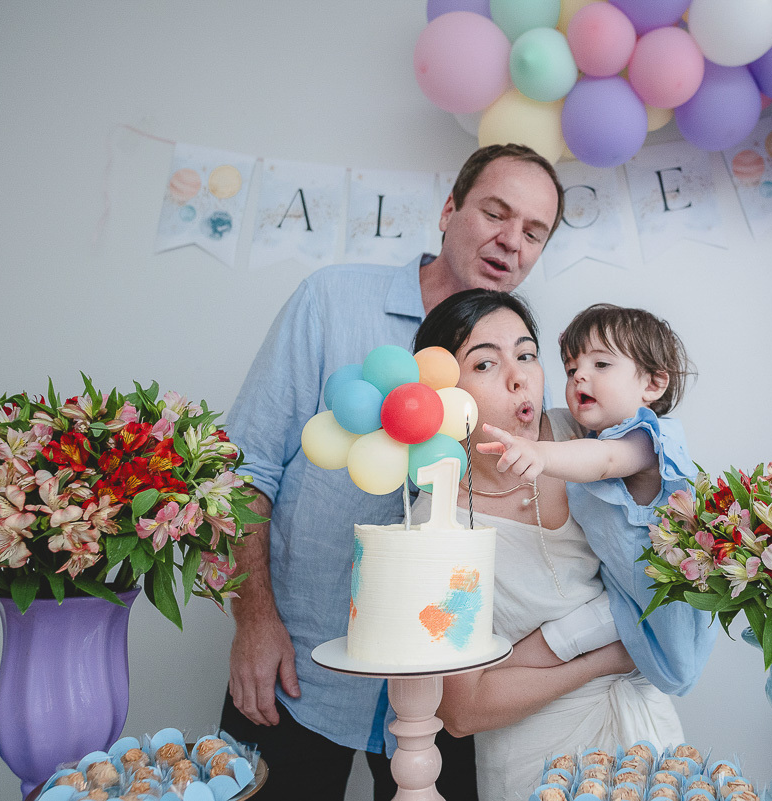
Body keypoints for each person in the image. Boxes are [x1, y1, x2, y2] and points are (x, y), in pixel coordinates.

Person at [221, 144, 564, 801]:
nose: (510, 240)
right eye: (496, 212)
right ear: (449, 209)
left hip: (450, 686)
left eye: (533, 231)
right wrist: (253, 620)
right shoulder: (330, 301)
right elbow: (244, 470)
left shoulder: (522, 356)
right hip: (296, 668)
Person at [410, 290, 685, 801]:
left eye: (528, 354)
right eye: (486, 363)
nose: (518, 377)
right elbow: (463, 711)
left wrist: (524, 658)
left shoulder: (586, 434)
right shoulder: (437, 520)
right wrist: (614, 655)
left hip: (646, 734)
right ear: (444, 392)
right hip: (536, 762)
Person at [478, 303, 717, 695]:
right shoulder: (591, 437)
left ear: (653, 385)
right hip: (621, 590)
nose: (579, 377)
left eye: (601, 365)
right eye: (571, 369)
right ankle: (496, 671)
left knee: (562, 637)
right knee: (565, 632)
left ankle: (497, 667)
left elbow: (605, 462)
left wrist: (538, 453)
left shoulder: (650, 440)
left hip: (655, 598)